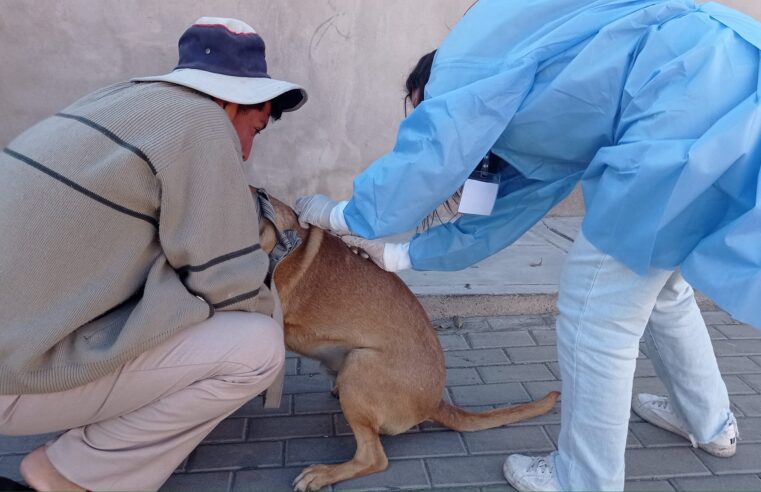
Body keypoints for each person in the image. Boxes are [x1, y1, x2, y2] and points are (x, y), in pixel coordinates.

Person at [295, 0, 761, 490]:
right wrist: (400, 255)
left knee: (596, 309)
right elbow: (500, 214)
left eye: (423, 108)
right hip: (735, 66)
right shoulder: (522, 107)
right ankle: (709, 423)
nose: (427, 120)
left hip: (682, 92)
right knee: (661, 283)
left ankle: (583, 479)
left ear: (427, 88)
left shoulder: (462, 73)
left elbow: (429, 153)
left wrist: (343, 214)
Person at [0, 17, 306, 491]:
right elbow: (229, 285)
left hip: (14, 346)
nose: (245, 152)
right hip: (10, 382)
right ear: (235, 103)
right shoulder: (203, 125)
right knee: (257, 348)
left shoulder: (114, 100)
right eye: (256, 129)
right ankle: (69, 473)